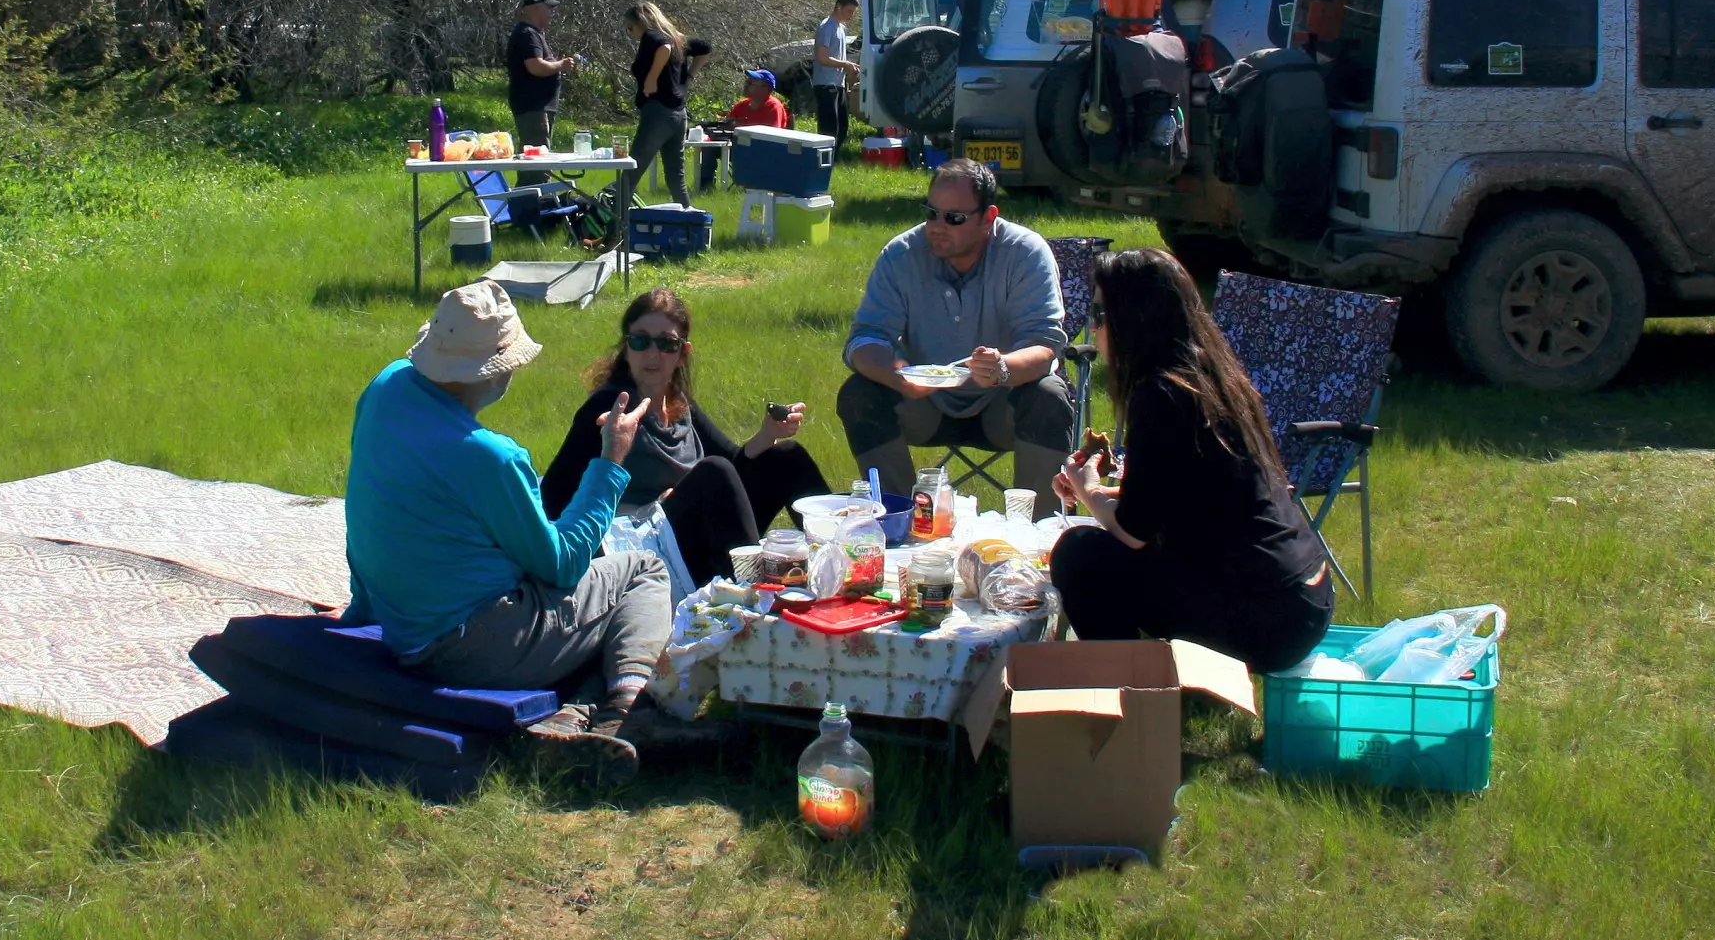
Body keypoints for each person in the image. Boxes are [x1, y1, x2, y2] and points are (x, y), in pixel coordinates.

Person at [341, 281, 670, 785]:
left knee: (595, 608)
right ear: (496, 369)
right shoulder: (489, 457)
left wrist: (363, 610)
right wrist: (611, 461)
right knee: (642, 571)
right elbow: (561, 564)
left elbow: (370, 510)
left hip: (398, 623)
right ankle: (627, 711)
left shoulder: (386, 387)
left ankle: (575, 713)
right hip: (473, 645)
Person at [1047, 247, 1333, 674]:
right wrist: (1102, 491)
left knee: (1081, 555)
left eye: (1101, 314)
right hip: (1303, 597)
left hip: (1266, 617)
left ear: (1134, 320)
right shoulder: (1208, 376)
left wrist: (1086, 487)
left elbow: (1133, 532)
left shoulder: (1160, 395)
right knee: (1099, 550)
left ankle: (1131, 689)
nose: (1093, 326)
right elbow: (1185, 497)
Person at [543, 288, 829, 586]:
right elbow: (552, 499)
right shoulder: (610, 409)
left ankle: (839, 560)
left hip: (699, 535)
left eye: (666, 344)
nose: (652, 354)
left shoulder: (678, 400)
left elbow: (733, 469)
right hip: (646, 548)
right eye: (640, 341)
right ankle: (754, 595)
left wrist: (768, 434)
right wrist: (646, 511)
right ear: (626, 348)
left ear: (682, 354)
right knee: (712, 471)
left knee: (787, 457)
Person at [837, 158, 1073, 510]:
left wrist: (1002, 368)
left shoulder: (1024, 252)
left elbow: (1044, 345)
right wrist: (897, 375)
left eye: (954, 218)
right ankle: (897, 518)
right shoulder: (901, 254)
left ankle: (1042, 534)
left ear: (988, 218)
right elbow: (863, 341)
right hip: (924, 404)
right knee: (859, 394)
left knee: (1049, 396)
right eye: (931, 213)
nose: (937, 226)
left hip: (1003, 404)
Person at [622, 1, 692, 209]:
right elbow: (702, 49)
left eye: (630, 27)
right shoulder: (675, 38)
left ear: (641, 22)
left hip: (658, 113)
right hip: (678, 114)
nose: (630, 33)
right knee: (675, 177)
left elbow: (664, 47)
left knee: (631, 171)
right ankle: (691, 223)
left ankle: (614, 231)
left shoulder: (652, 36)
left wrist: (651, 78)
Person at [505, 0, 578, 187]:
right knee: (537, 165)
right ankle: (529, 212)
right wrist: (560, 65)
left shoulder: (533, 34)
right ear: (536, 8)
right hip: (533, 107)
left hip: (539, 107)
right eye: (549, 8)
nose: (552, 13)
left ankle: (532, 210)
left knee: (539, 163)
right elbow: (535, 66)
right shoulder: (527, 34)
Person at [696, 66, 791, 194]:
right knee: (709, 146)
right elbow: (727, 124)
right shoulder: (742, 105)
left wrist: (741, 128)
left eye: (751, 83)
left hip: (762, 150)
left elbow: (772, 135)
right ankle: (705, 187)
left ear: (765, 89)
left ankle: (752, 185)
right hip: (738, 146)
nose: (747, 85)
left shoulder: (774, 107)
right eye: (748, 81)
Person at [812, 0, 859, 151]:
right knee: (829, 130)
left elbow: (836, 57)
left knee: (842, 127)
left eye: (853, 12)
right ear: (838, 7)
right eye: (849, 11)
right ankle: (822, 164)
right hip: (825, 84)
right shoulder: (827, 27)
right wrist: (844, 64)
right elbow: (822, 57)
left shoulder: (841, 28)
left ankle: (832, 161)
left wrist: (849, 66)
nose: (851, 15)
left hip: (838, 84)